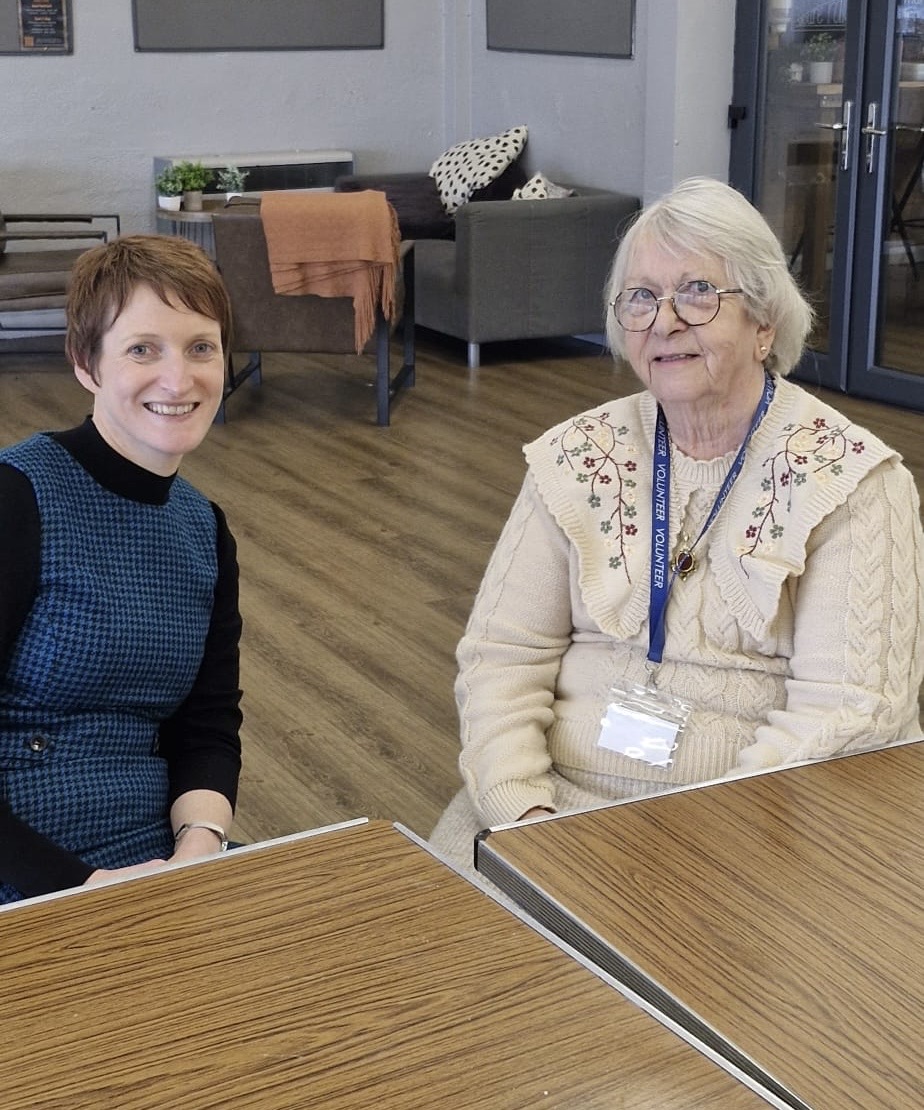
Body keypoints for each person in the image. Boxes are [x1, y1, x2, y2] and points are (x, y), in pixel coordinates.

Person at [430, 176, 924, 868]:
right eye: (642, 298)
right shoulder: (574, 458)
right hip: (549, 810)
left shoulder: (853, 482)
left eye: (697, 292)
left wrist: (698, 844)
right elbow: (501, 657)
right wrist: (523, 809)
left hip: (757, 835)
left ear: (763, 322)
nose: (664, 321)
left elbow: (851, 712)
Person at [0, 234, 243, 905]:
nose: (179, 378)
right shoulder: (18, 495)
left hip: (153, 860)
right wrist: (80, 888)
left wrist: (201, 845)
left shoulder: (204, 527)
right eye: (143, 349)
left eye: (201, 347)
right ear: (86, 364)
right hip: (27, 872)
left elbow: (208, 726)